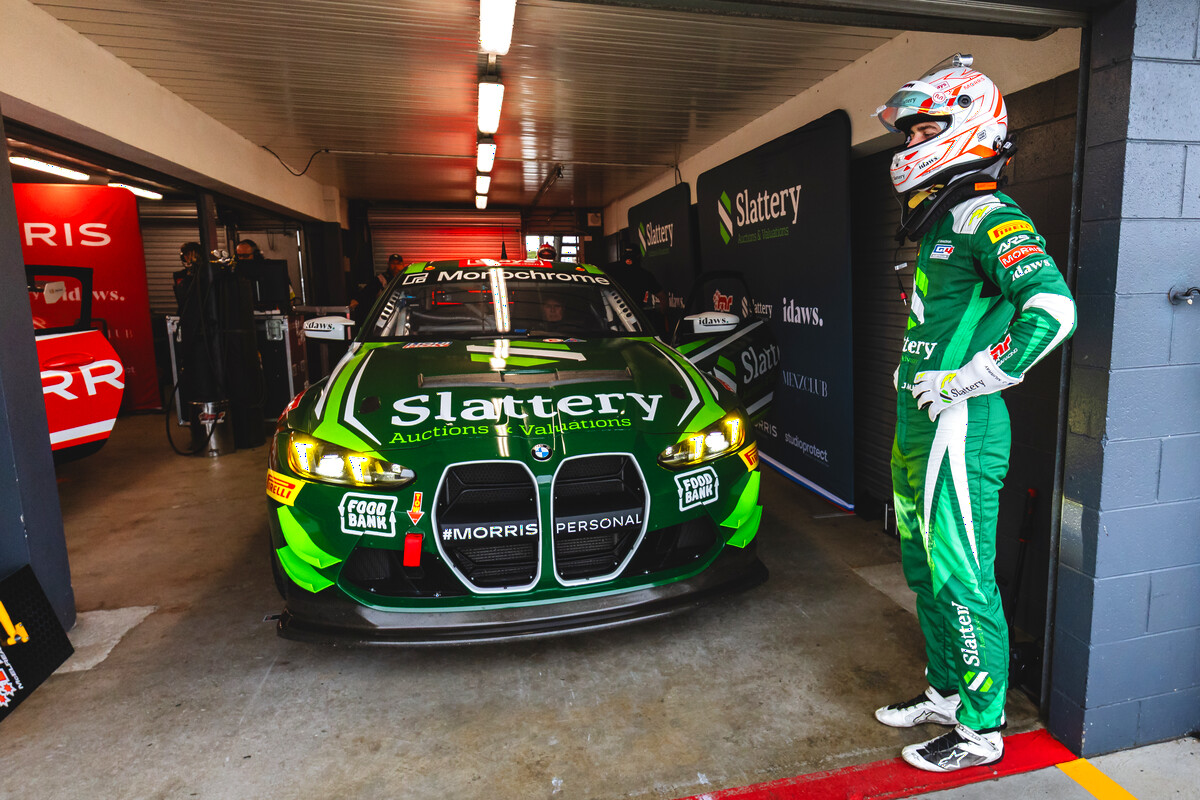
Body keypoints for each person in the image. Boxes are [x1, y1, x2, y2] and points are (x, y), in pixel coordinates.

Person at [873, 54, 1076, 773]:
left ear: (967, 125)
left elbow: (1052, 309)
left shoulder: (991, 213)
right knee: (924, 571)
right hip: (916, 426)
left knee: (963, 576)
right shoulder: (941, 219)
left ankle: (983, 728)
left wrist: (972, 377)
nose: (908, 145)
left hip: (961, 428)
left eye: (922, 128)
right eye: (908, 134)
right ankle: (947, 693)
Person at [350, 253, 404, 325]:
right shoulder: (381, 279)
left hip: (403, 311)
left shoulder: (405, 277)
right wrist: (356, 300)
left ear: (403, 265)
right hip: (385, 314)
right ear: (388, 264)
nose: (395, 266)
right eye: (393, 263)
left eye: (398, 264)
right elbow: (367, 291)